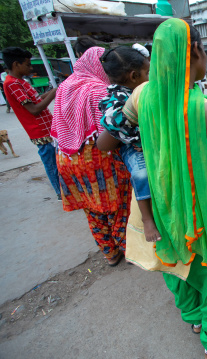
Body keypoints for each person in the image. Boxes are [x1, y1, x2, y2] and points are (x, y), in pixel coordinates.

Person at [122, 18, 207, 359]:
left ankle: (193, 319)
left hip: (159, 205)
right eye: (204, 51)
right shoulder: (200, 107)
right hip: (194, 209)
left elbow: (108, 138)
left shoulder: (141, 94)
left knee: (176, 264)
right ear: (194, 54)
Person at [51, 47, 132, 266]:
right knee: (118, 206)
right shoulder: (98, 89)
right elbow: (110, 133)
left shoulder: (65, 86)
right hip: (97, 158)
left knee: (92, 208)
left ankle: (110, 253)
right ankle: (127, 248)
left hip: (67, 157)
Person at [95, 45, 161, 242]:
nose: (152, 75)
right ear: (134, 76)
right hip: (131, 146)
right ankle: (147, 219)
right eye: (148, 72)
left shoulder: (143, 92)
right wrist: (141, 138)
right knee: (141, 174)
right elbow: (116, 125)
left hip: (144, 142)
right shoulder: (118, 98)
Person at [1, 47, 60, 199]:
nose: (31, 68)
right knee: (52, 165)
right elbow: (34, 109)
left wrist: (55, 90)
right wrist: (53, 93)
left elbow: (37, 99)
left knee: (57, 164)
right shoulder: (12, 84)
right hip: (40, 132)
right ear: (16, 64)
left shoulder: (20, 82)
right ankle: (61, 193)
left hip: (47, 129)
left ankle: (64, 192)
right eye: (27, 64)